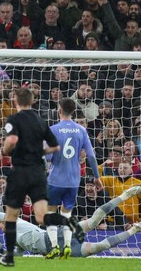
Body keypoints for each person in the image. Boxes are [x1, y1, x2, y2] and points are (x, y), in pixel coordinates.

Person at [0, 88, 78, 267]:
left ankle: (8, 256)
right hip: (39, 173)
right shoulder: (41, 121)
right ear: (32, 101)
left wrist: (2, 152)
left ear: (16, 101)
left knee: (11, 215)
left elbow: (12, 140)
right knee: (41, 217)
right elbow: (55, 147)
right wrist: (40, 151)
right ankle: (68, 222)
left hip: (21, 172)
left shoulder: (14, 119)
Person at [0, 185, 141, 258]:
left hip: (57, 236)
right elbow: (18, 255)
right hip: (53, 250)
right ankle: (135, 230)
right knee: (98, 247)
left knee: (93, 221)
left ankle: (125, 195)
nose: (1, 225)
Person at [45, 98, 102, 259]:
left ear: (59, 110)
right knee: (67, 214)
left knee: (50, 213)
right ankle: (68, 246)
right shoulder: (81, 130)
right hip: (73, 180)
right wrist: (97, 177)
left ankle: (55, 246)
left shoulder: (53, 130)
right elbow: (91, 155)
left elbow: (47, 157)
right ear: (73, 111)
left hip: (55, 179)